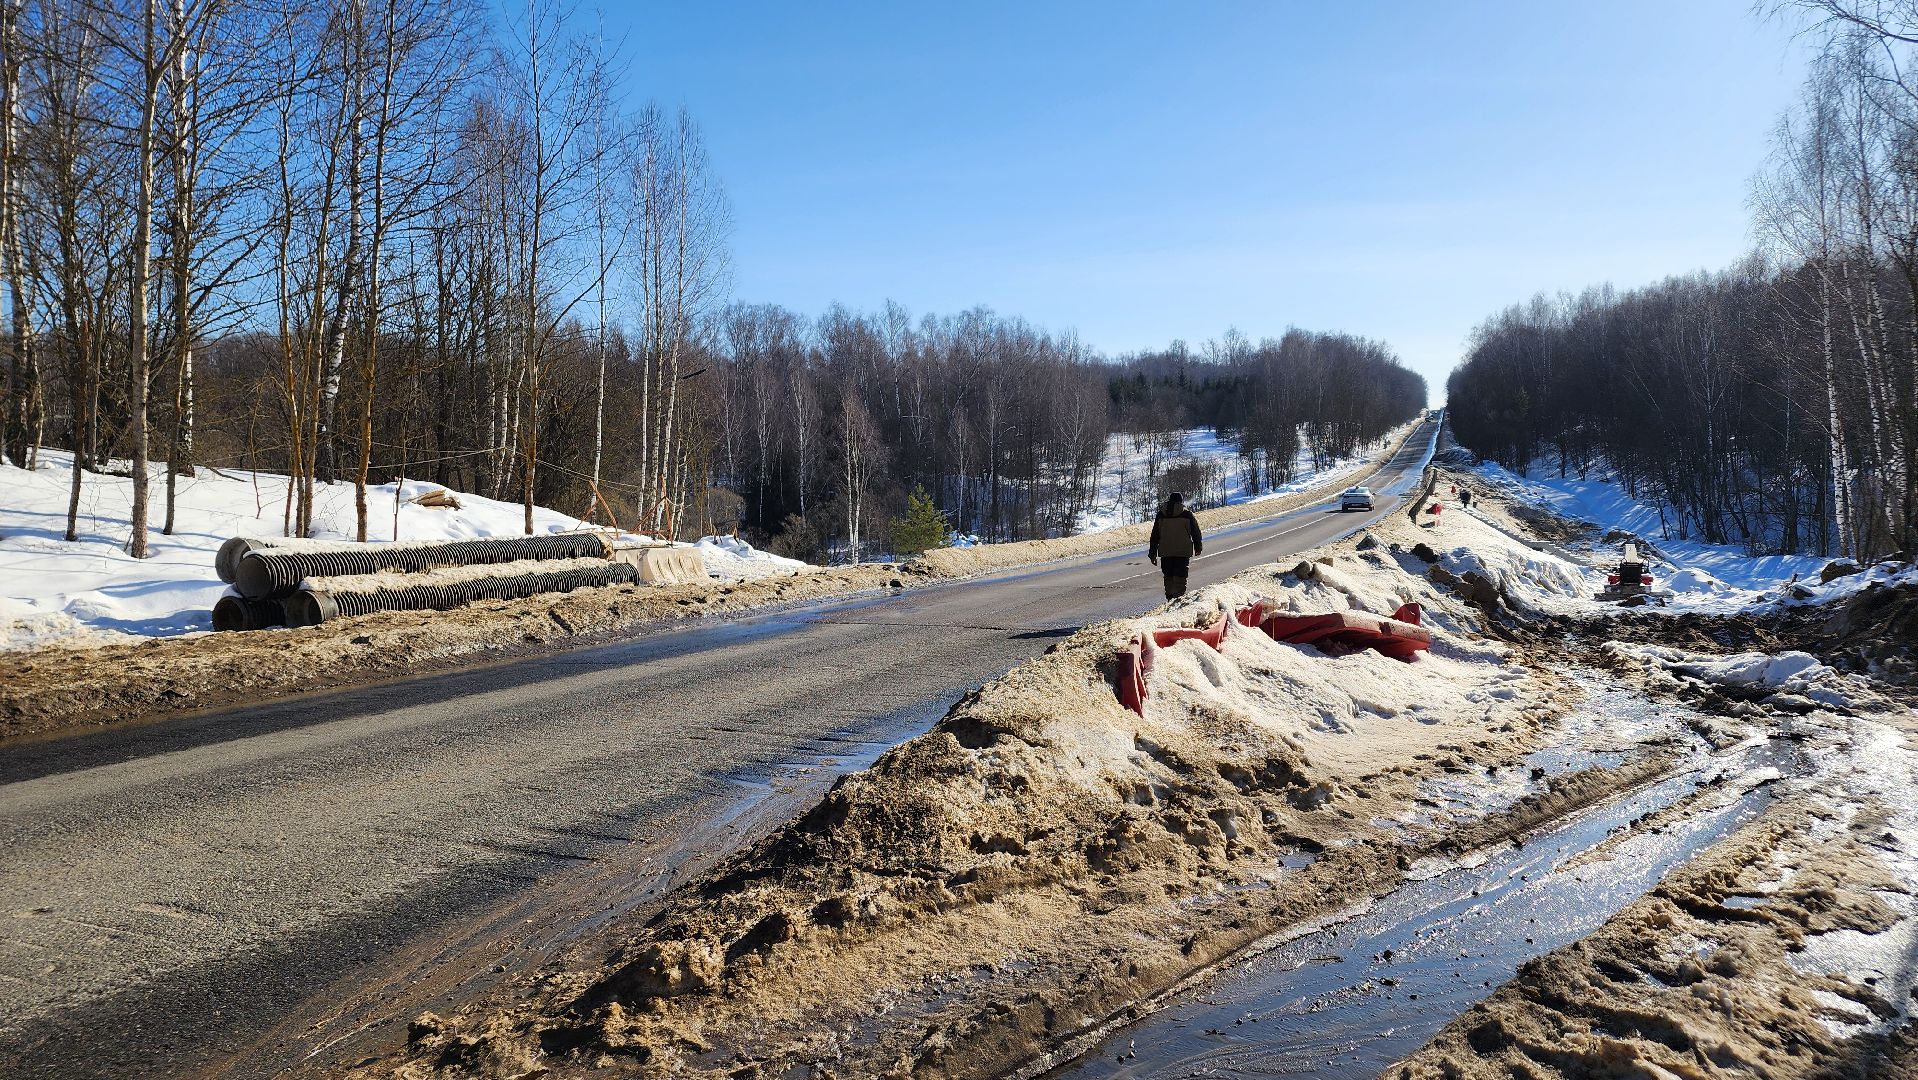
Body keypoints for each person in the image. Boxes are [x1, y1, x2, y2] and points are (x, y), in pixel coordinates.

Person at [1147, 491, 1203, 600]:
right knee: (1180, 577)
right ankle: (1178, 599)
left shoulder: (1161, 514)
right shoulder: (1187, 514)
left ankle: (1170, 598)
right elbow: (1195, 532)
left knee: (1168, 576)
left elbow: (1155, 535)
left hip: (1165, 552)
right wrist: (1198, 547)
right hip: (1182, 552)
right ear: (1181, 501)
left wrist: (1152, 553)